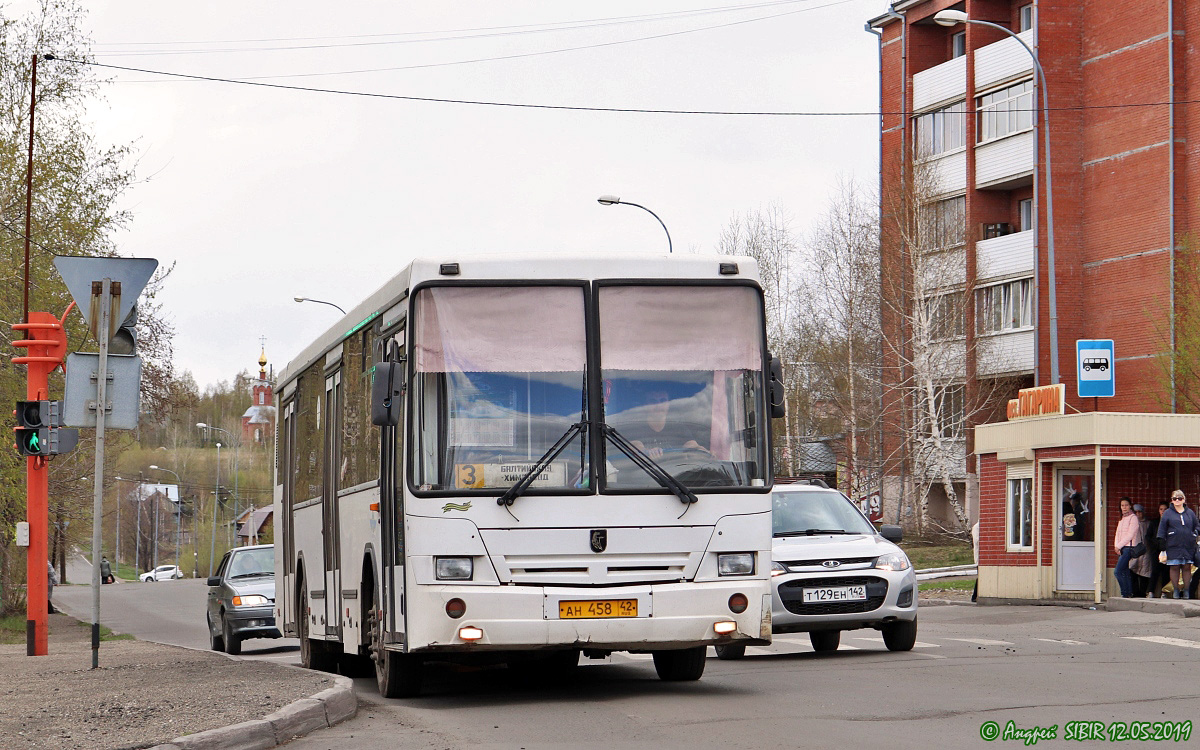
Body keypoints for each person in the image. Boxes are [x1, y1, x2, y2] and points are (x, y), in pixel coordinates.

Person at [625, 389, 706, 459]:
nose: (658, 405)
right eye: (653, 401)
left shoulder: (677, 426)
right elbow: (635, 447)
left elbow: (691, 446)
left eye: (663, 400)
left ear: (668, 404)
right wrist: (646, 452)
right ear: (645, 405)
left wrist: (703, 452)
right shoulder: (637, 427)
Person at [1156, 489, 1200, 599]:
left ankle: (1186, 591)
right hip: (1173, 545)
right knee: (1174, 566)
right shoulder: (1168, 513)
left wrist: (1194, 534)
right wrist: (1161, 541)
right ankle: (1175, 590)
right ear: (1172, 500)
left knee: (1187, 567)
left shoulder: (1190, 513)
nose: (1177, 500)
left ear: (1184, 500)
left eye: (1179, 498)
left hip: (1188, 545)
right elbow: (1162, 529)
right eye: (1174, 498)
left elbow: (1197, 525)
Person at [1112, 497, 1142, 598]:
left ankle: (1124, 593)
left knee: (1118, 571)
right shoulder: (1122, 518)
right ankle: (1129, 593)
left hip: (1129, 547)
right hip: (1122, 548)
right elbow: (1118, 533)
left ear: (1130, 506)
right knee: (1125, 571)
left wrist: (1119, 545)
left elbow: (1130, 534)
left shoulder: (1133, 518)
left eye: (1126, 505)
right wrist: (1117, 546)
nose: (1124, 507)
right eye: (1122, 505)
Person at [1146, 500, 1171, 597]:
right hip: (1156, 550)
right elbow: (1148, 536)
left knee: (1166, 571)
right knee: (1155, 571)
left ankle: (1164, 592)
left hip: (1167, 550)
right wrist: (1153, 545)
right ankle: (1151, 591)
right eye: (1161, 509)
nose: (1163, 511)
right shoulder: (1154, 522)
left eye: (1165, 509)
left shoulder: (1171, 523)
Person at [1128, 504, 1153, 597]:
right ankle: (1134, 592)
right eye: (1136, 512)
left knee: (1144, 573)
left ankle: (1142, 593)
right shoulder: (1130, 523)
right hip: (1134, 550)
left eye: (1140, 512)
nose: (1138, 514)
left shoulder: (1148, 524)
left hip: (1146, 551)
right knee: (1132, 570)